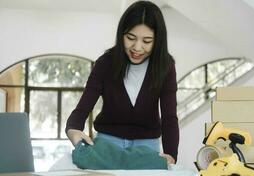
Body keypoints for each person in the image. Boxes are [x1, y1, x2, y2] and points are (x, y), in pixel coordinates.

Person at [66, 1, 179, 164]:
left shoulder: (165, 67)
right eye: (130, 38)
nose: (137, 48)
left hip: (147, 146)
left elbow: (169, 117)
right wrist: (73, 129)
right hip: (107, 143)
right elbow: (83, 107)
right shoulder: (105, 63)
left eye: (147, 41)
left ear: (158, 41)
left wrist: (171, 154)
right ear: (121, 34)